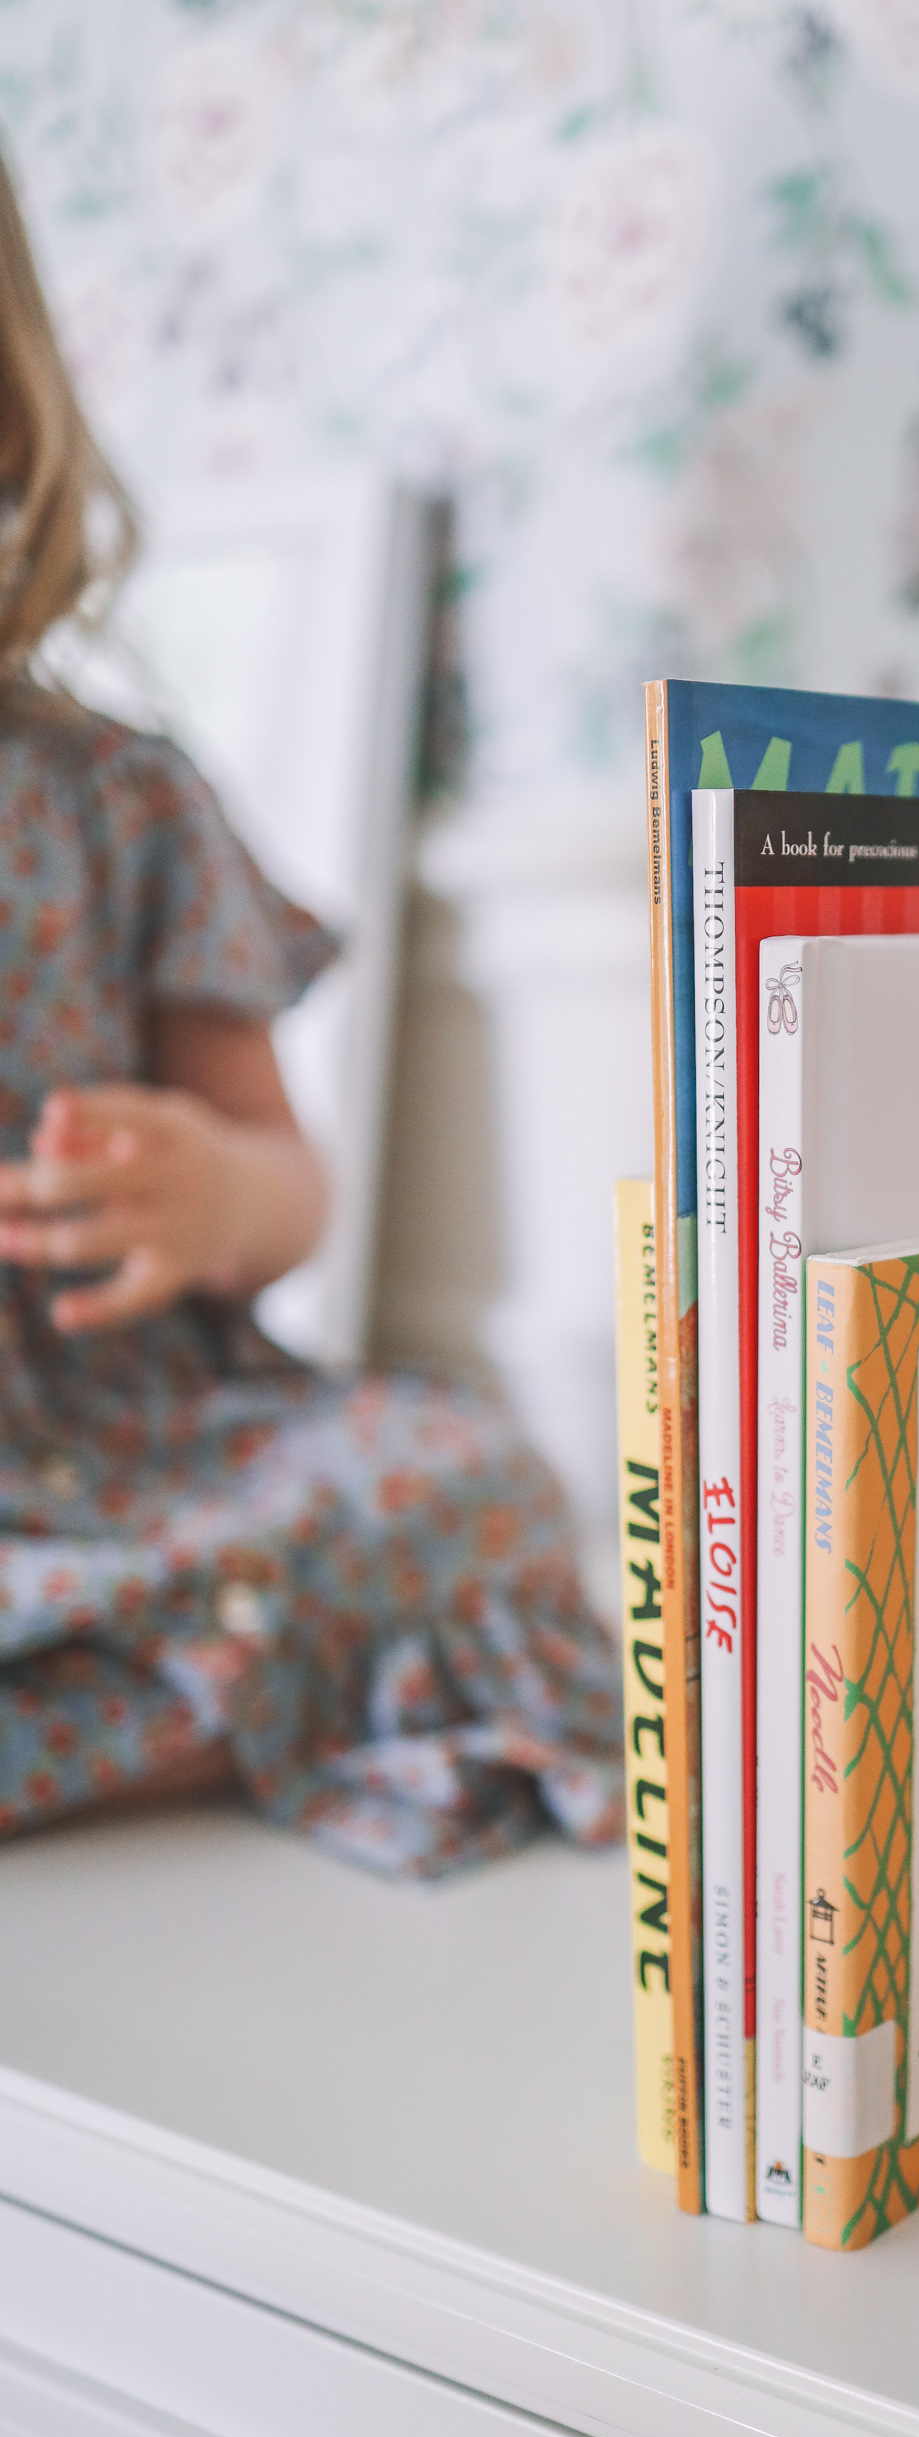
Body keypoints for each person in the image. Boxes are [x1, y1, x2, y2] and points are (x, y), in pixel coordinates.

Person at [0, 158, 622, 1876]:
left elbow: (293, 1181)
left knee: (468, 1472)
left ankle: (147, 1688)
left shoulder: (112, 795)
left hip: (137, 1456)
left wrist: (218, 1190)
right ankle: (218, 1694)